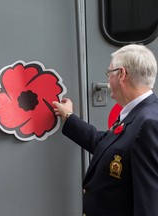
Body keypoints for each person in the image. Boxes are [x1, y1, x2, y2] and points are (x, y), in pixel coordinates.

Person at [53, 44, 158, 216]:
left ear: (122, 74)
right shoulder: (138, 113)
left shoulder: (149, 123)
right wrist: (70, 117)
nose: (108, 80)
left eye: (109, 73)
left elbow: (150, 202)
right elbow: (108, 148)